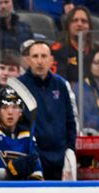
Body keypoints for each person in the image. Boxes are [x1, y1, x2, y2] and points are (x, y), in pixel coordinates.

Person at [18, 41, 77, 181]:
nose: (39, 61)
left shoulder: (61, 84)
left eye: (44, 56)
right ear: (28, 60)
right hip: (34, 157)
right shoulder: (19, 86)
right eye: (35, 56)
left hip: (60, 157)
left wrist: (70, 148)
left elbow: (70, 120)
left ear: (51, 60)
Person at [52, 6, 99, 83]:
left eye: (84, 21)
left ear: (89, 27)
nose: (79, 24)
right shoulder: (58, 50)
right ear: (68, 26)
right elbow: (57, 81)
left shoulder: (98, 51)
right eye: (75, 20)